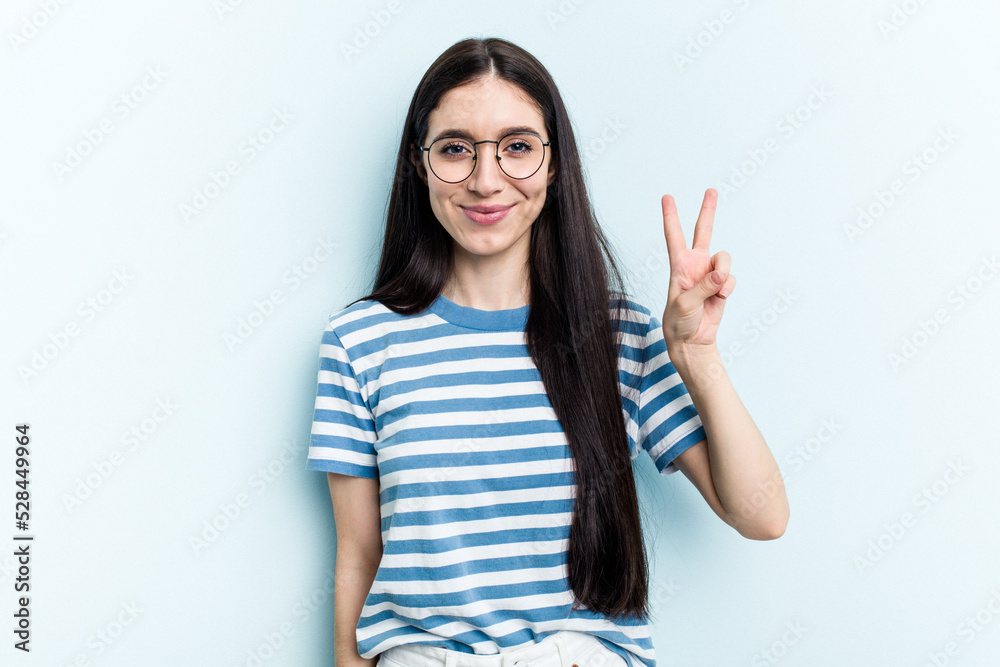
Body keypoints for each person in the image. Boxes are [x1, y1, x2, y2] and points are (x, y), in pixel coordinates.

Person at [307, 36, 788, 667]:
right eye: (455, 149)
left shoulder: (620, 336)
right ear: (419, 165)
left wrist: (697, 355)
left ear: (554, 164)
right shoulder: (359, 343)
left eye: (517, 148)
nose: (486, 180)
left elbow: (762, 515)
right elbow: (359, 557)